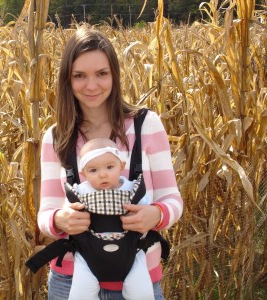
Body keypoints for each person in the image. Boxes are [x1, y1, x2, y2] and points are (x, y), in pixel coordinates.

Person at [37, 27, 183, 300]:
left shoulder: (146, 126)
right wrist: (60, 220)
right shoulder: (56, 137)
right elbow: (46, 213)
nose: (91, 86)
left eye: (101, 74)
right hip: (71, 282)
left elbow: (172, 198)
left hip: (137, 278)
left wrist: (157, 215)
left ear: (114, 75)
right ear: (67, 80)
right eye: (79, 76)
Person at [69, 137, 154, 300]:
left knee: (142, 293)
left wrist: (148, 214)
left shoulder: (133, 189)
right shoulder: (79, 191)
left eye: (109, 167)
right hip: (88, 255)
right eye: (93, 170)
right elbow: (68, 215)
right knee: (80, 294)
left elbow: (147, 212)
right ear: (83, 174)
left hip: (131, 251)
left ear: (121, 166)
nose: (102, 174)